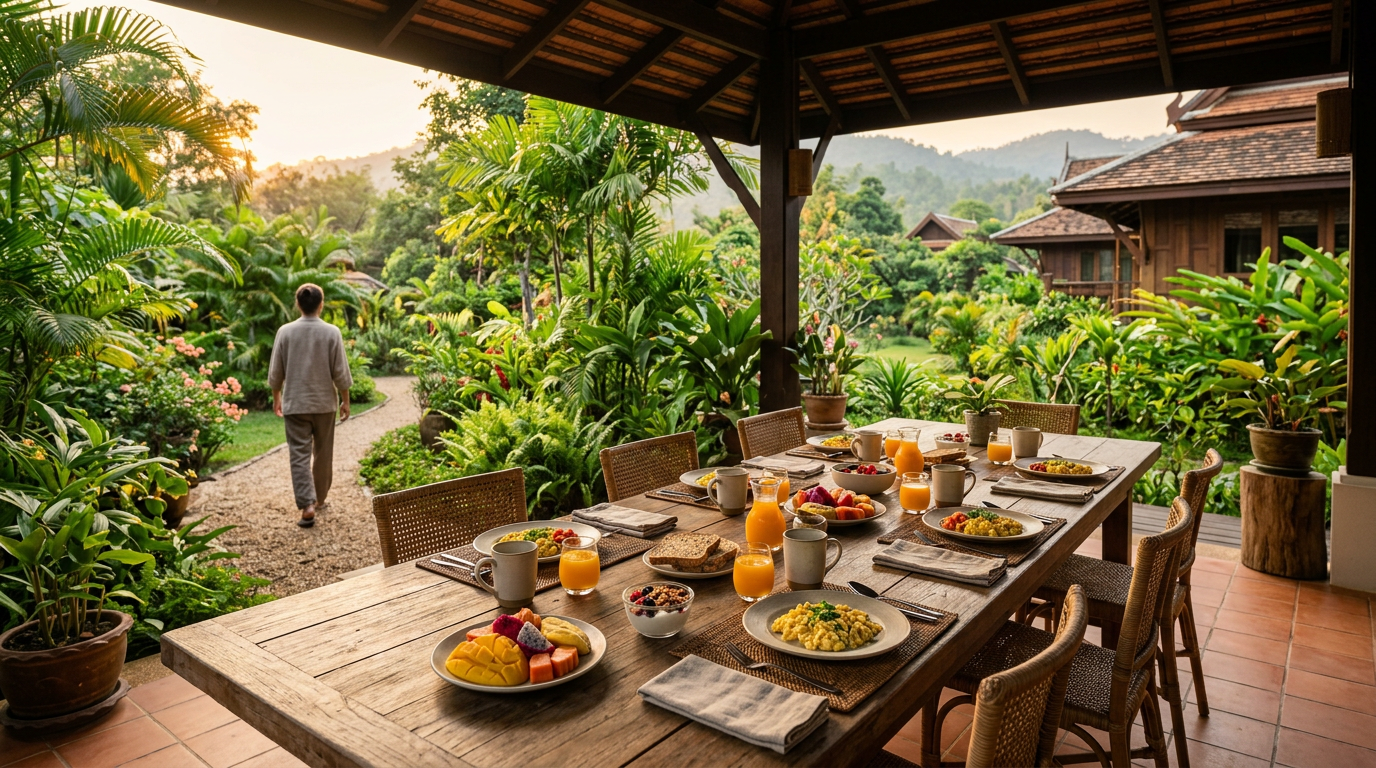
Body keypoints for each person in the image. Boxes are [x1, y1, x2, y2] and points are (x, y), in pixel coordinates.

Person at [268, 284, 353, 528]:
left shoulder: (285, 332)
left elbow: (276, 371)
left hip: (295, 404)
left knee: (299, 455)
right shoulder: (331, 332)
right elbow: (340, 371)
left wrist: (277, 397)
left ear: (298, 304)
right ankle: (321, 498)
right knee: (324, 453)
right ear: (321, 304)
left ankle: (307, 505)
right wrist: (345, 400)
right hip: (325, 404)